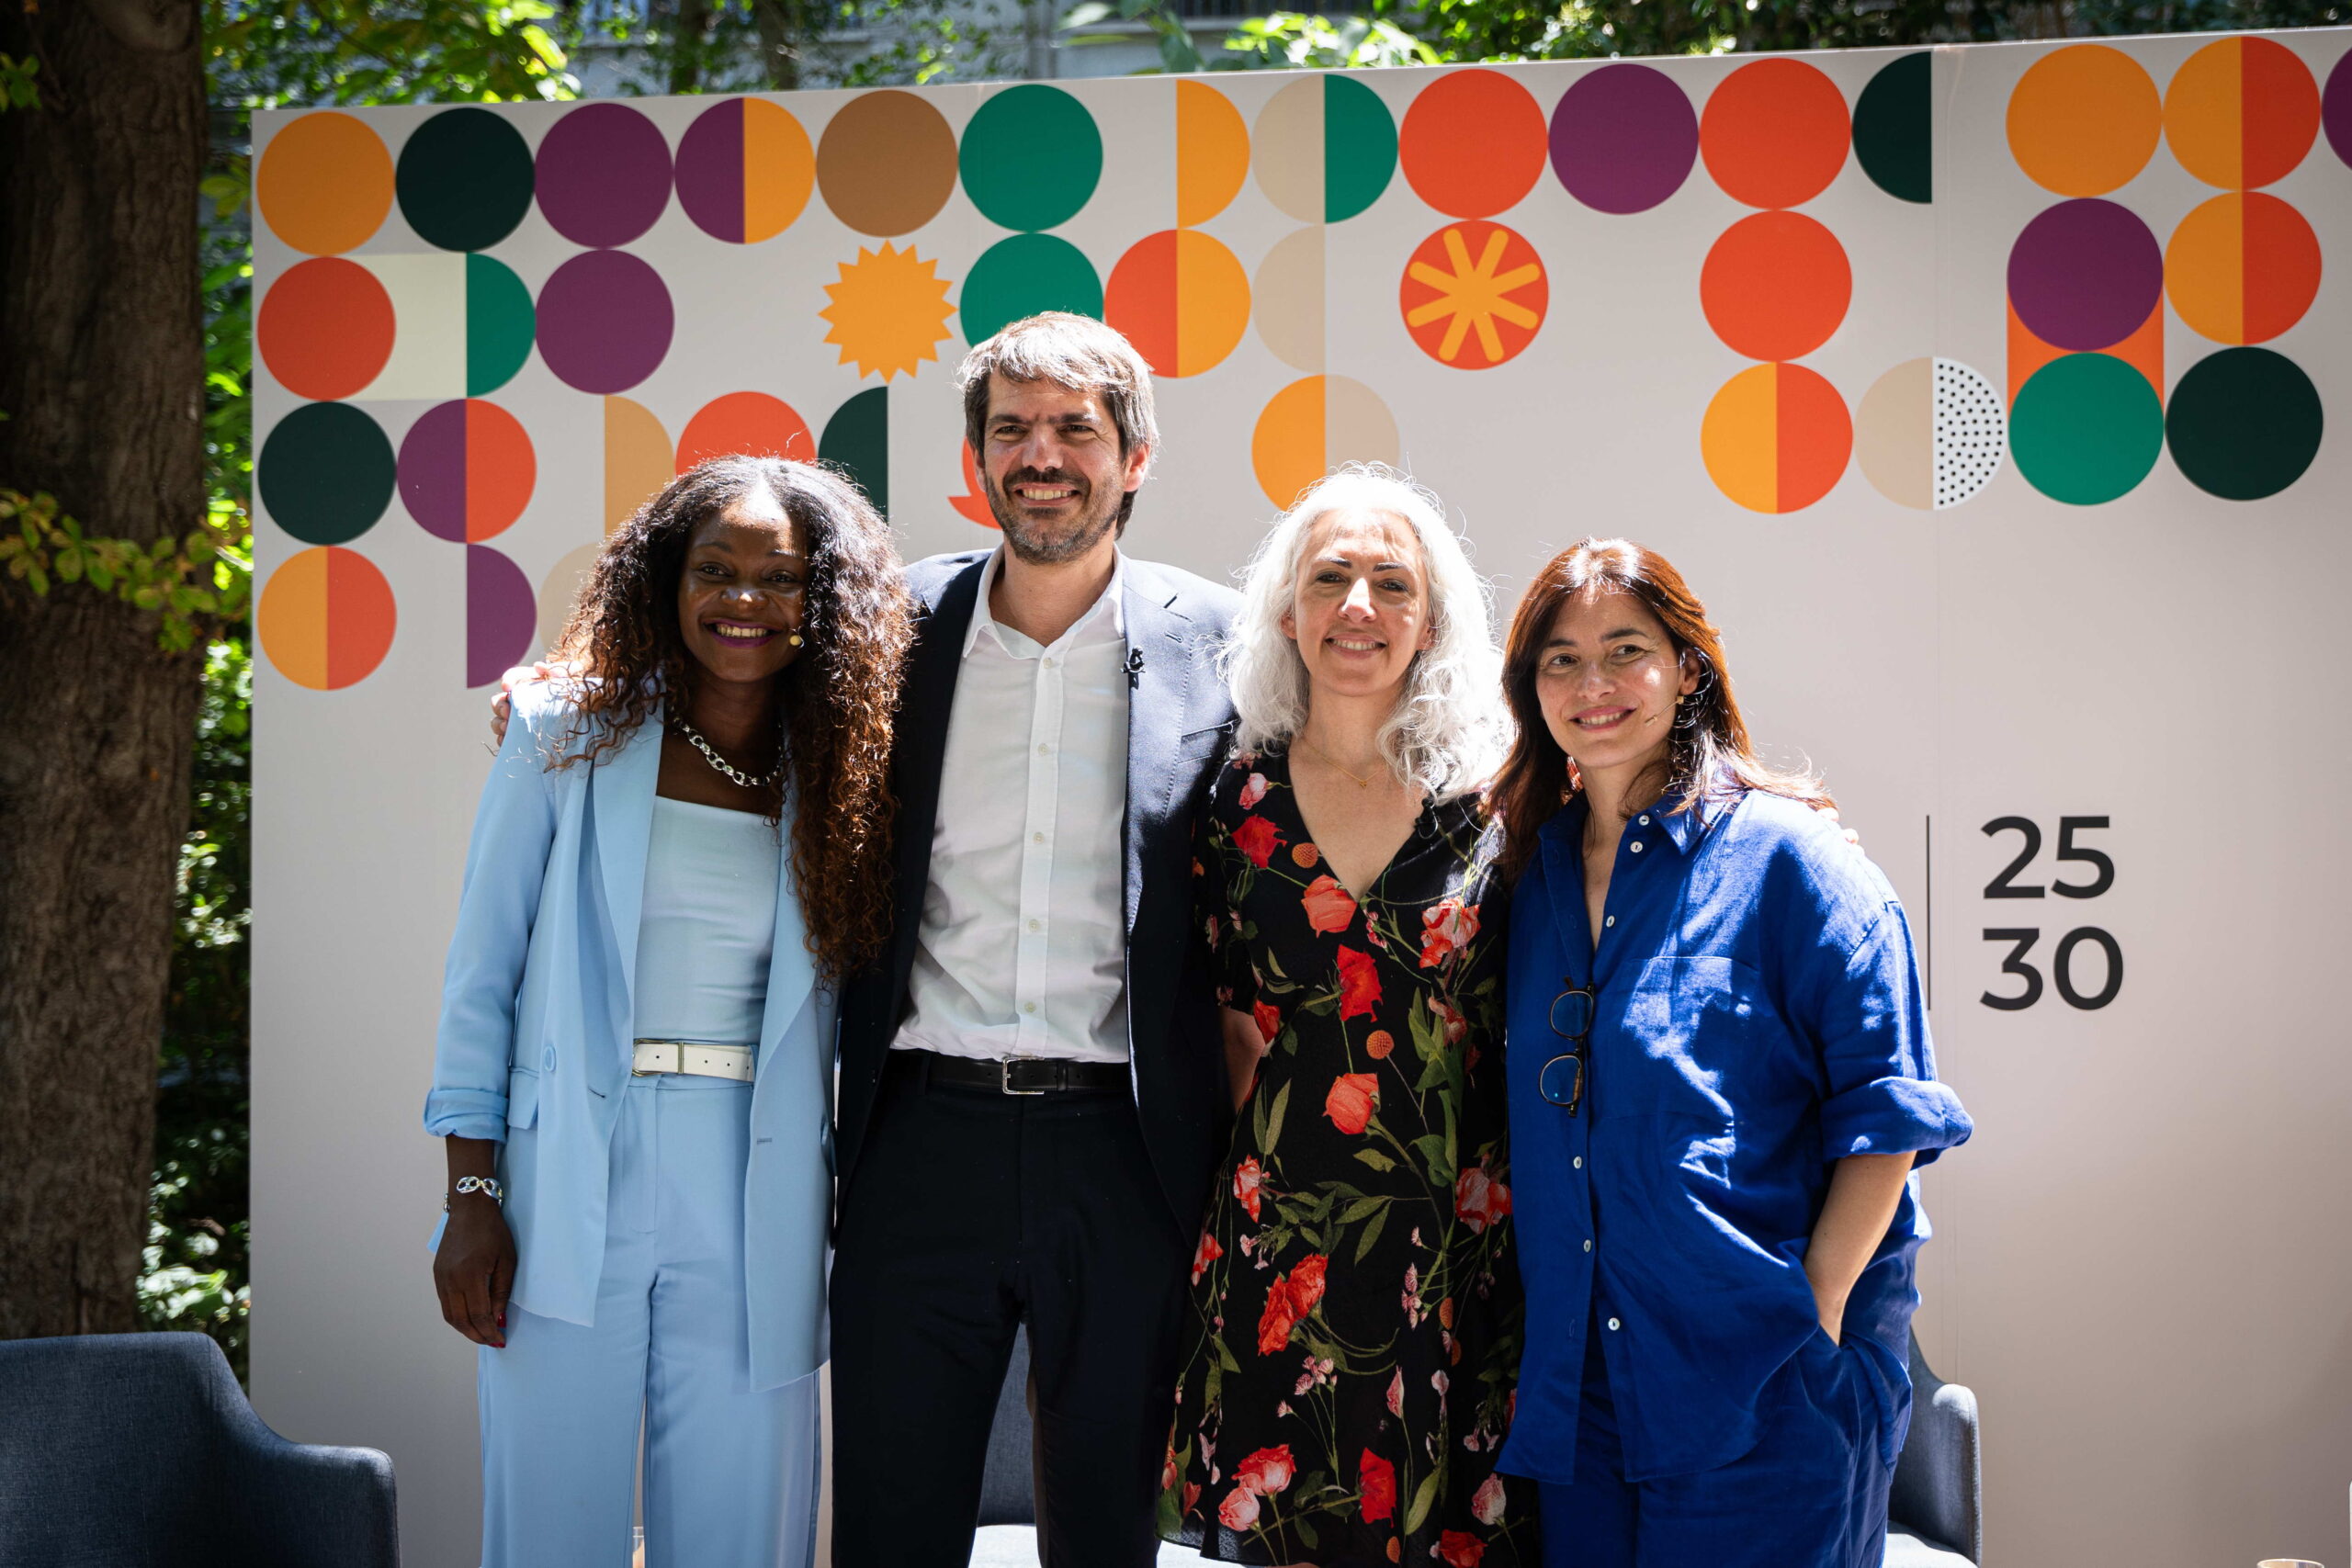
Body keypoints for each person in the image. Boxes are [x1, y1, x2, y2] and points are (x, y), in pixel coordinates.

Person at [428, 457, 911, 1568]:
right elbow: (481, 976)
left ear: (824, 602)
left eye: (781, 578)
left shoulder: (846, 774)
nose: (745, 599)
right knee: (550, 1530)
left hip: (758, 1181)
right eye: (715, 569)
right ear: (666, 581)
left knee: (746, 1530)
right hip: (567, 1173)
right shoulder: (561, 731)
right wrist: (470, 1196)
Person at [826, 312, 1244, 1567]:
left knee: (1108, 1536)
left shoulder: (1227, 643)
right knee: (891, 1531)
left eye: (1075, 427)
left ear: (1136, 456)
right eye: (1011, 429)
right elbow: (725, 680)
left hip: (1127, 1153)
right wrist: (568, 693)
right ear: (978, 457)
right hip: (920, 1142)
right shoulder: (889, 626)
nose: (1041, 455)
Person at [1485, 538, 1972, 1568]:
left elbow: (1889, 1115)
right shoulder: (1529, 879)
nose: (1594, 683)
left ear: (1687, 669)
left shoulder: (1792, 859)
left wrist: (1816, 1313)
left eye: (1626, 649)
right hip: (1584, 1409)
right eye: (1562, 660)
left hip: (1767, 1395)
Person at [1161, 469, 1536, 1567]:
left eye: (1391, 582)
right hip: (1282, 1247)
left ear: (1432, 620)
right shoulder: (1229, 801)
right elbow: (1219, 1032)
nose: (1358, 605)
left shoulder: (1500, 801)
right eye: (1330, 579)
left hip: (1459, 1241)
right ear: (1288, 613)